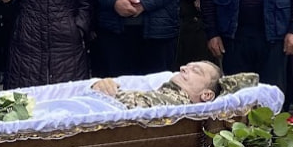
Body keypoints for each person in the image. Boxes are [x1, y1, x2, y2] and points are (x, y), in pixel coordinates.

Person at [90, 60, 226, 109]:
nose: (183, 68)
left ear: (207, 95)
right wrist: (100, 85)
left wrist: (107, 91)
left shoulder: (174, 105)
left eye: (195, 70)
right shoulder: (164, 93)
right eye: (187, 66)